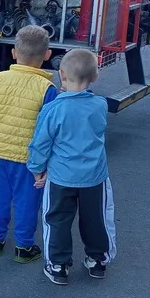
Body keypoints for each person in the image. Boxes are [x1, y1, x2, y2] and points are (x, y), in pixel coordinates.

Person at [28, 49, 115, 285]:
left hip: (61, 177)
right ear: (95, 77)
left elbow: (41, 143)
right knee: (95, 219)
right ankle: (97, 260)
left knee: (56, 219)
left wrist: (37, 168)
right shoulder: (100, 105)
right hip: (94, 177)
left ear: (61, 74)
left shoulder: (54, 109)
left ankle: (58, 264)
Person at [0, 25, 57, 263]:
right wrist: (45, 161)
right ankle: (24, 246)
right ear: (47, 55)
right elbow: (48, 130)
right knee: (26, 202)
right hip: (28, 158)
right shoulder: (47, 89)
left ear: (14, 53)